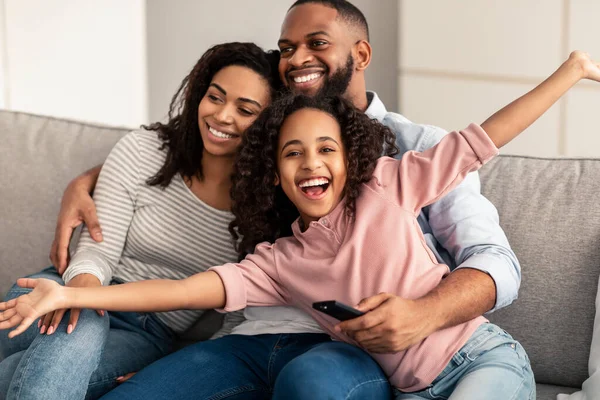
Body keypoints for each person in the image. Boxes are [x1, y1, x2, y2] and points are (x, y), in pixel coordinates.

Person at [3, 50, 598, 399]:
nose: (311, 164)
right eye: (292, 154)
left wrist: (570, 73)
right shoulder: (282, 262)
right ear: (272, 171)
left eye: (326, 150)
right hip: (409, 388)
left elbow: (485, 136)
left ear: (351, 158)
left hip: (482, 357)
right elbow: (188, 290)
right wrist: (80, 287)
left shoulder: (393, 183)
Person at [0, 42, 282, 399]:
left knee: (14, 373)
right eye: (215, 97)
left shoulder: (263, 208)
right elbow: (98, 249)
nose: (223, 116)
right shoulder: (144, 149)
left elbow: (239, 316)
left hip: (144, 333)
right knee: (82, 323)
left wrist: (179, 371)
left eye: (245, 109)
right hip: (58, 289)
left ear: (269, 125)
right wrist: (80, 294)